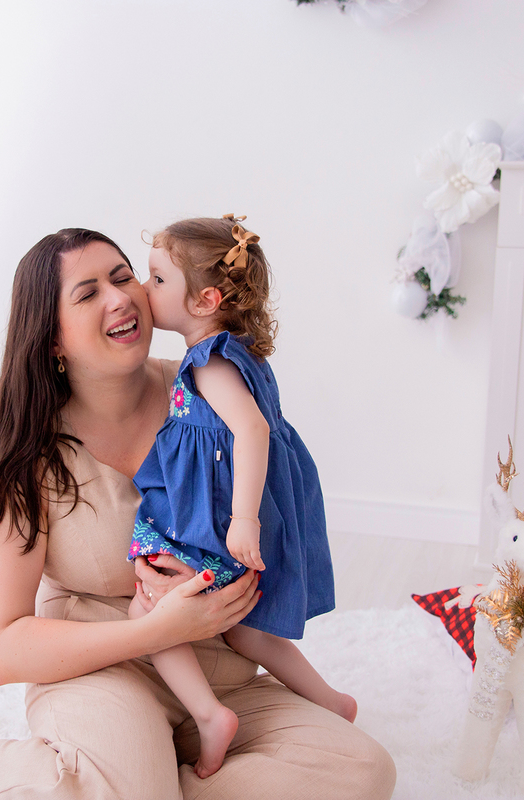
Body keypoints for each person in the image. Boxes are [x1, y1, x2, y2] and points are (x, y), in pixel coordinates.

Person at [0, 228, 396, 800]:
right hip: (98, 671)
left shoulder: (208, 386)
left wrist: (234, 583)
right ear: (52, 339)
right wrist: (154, 630)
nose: (120, 297)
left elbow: (270, 506)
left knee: (360, 770)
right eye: (87, 293)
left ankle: (130, 781)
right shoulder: (25, 457)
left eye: (124, 277)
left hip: (220, 672)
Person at [126, 215, 355, 779]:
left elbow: (252, 432)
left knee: (147, 604)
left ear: (204, 299)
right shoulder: (236, 352)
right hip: (238, 504)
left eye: (157, 280)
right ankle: (331, 701)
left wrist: (243, 519)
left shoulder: (211, 364)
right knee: (248, 627)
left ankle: (208, 715)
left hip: (220, 514)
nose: (143, 289)